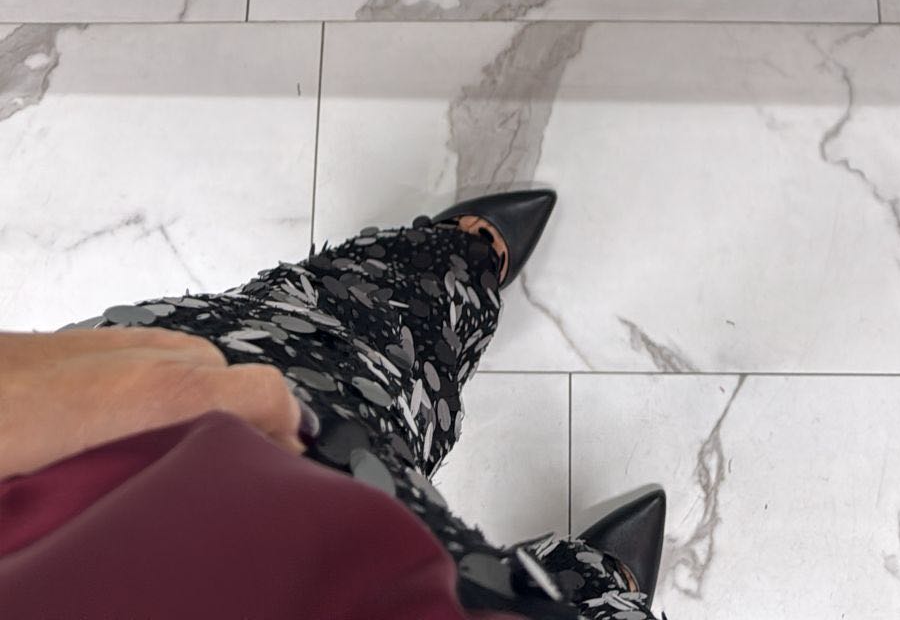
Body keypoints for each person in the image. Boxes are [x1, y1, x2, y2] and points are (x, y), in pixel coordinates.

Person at [0, 187, 670, 618]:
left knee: (326, 354)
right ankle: (589, 587)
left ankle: (444, 270)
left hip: (134, 499)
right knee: (336, 374)